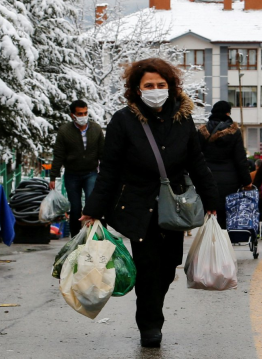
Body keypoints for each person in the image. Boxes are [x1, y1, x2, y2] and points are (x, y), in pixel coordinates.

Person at [82, 58, 219, 348]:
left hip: (174, 206)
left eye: (161, 84)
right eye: (149, 85)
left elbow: (197, 163)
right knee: (147, 267)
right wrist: (93, 209)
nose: (155, 90)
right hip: (137, 205)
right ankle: (150, 325)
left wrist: (212, 201)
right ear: (136, 89)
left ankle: (153, 310)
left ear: (170, 87)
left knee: (168, 268)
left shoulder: (183, 121)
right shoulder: (123, 120)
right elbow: (109, 169)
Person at [50, 100, 104, 237]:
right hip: (72, 174)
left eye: (85, 113)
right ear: (72, 115)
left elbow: (103, 153)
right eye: (80, 114)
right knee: (75, 208)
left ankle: (96, 236)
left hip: (91, 173)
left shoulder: (96, 129)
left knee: (93, 204)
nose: (83, 116)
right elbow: (59, 154)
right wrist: (53, 176)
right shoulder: (64, 131)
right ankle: (75, 238)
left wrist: (105, 173)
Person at [197, 101, 252, 229]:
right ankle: (222, 242)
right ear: (227, 113)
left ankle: (208, 242)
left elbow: (196, 157)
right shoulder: (234, 132)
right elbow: (240, 159)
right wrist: (246, 181)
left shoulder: (201, 131)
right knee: (224, 215)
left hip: (206, 178)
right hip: (230, 180)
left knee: (207, 212)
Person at [250, 159, 262, 240]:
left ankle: (256, 233)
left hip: (255, 197)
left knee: (255, 215)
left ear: (256, 166)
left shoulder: (251, 174)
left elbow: (248, 186)